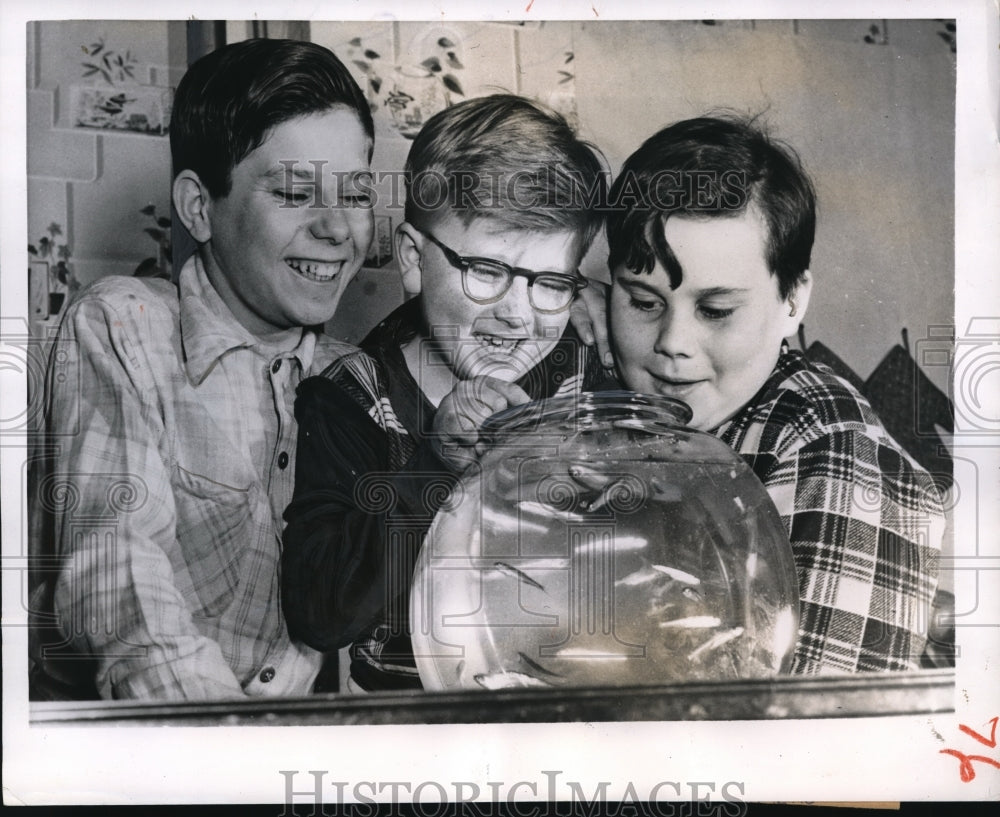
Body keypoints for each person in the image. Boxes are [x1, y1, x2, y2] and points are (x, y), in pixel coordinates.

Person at [29, 38, 377, 700]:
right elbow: (116, 568)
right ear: (198, 207)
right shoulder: (126, 325)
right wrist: (224, 746)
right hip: (154, 747)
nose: (337, 228)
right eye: (297, 191)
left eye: (356, 194)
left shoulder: (355, 376)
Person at [281, 94, 614, 692]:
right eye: (486, 272)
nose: (516, 314)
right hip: (412, 733)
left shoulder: (582, 378)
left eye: (551, 282)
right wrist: (435, 464)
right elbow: (321, 611)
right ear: (412, 259)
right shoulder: (350, 399)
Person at [604, 115, 944, 673]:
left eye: (716, 311)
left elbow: (817, 739)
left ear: (792, 301)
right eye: (642, 302)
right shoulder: (621, 402)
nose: (672, 344)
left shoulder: (838, 455)